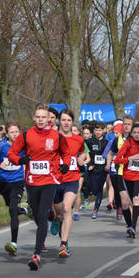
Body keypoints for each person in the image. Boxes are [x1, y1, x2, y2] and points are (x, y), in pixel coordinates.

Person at [8, 104, 71, 270]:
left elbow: (66, 153)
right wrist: (20, 160)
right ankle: (49, 217)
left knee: (42, 215)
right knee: (37, 215)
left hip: (49, 180)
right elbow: (12, 153)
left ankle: (36, 255)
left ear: (48, 119)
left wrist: (64, 165)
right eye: (39, 117)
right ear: (34, 118)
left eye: (44, 117)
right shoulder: (26, 135)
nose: (41, 119)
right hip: (31, 181)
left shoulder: (57, 136)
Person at [0, 120, 28, 256]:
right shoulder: (0, 146)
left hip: (18, 181)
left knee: (12, 209)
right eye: (12, 132)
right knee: (13, 208)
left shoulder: (24, 146)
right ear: (7, 134)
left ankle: (13, 243)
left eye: (16, 131)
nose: (15, 134)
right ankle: (24, 209)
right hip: (3, 183)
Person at [51, 109, 88, 257]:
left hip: (72, 179)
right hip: (55, 180)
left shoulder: (78, 139)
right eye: (64, 120)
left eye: (69, 120)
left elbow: (83, 152)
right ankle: (55, 219)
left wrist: (82, 159)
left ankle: (64, 245)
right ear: (59, 121)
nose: (66, 123)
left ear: (72, 122)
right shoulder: (52, 137)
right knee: (59, 214)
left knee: (67, 208)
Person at [114, 124, 139, 238]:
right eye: (134, 132)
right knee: (126, 203)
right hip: (127, 176)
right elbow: (117, 160)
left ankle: (134, 227)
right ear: (131, 134)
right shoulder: (127, 144)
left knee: (136, 198)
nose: (137, 134)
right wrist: (130, 158)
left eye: (138, 132)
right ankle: (129, 225)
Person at [87, 122, 109, 218]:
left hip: (103, 169)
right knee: (94, 189)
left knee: (99, 189)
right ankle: (91, 194)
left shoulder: (106, 143)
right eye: (96, 130)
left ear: (103, 131)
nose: (98, 132)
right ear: (94, 131)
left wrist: (107, 165)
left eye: (100, 130)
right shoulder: (89, 141)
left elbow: (109, 155)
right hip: (93, 169)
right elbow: (86, 154)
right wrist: (90, 164)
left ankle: (95, 210)